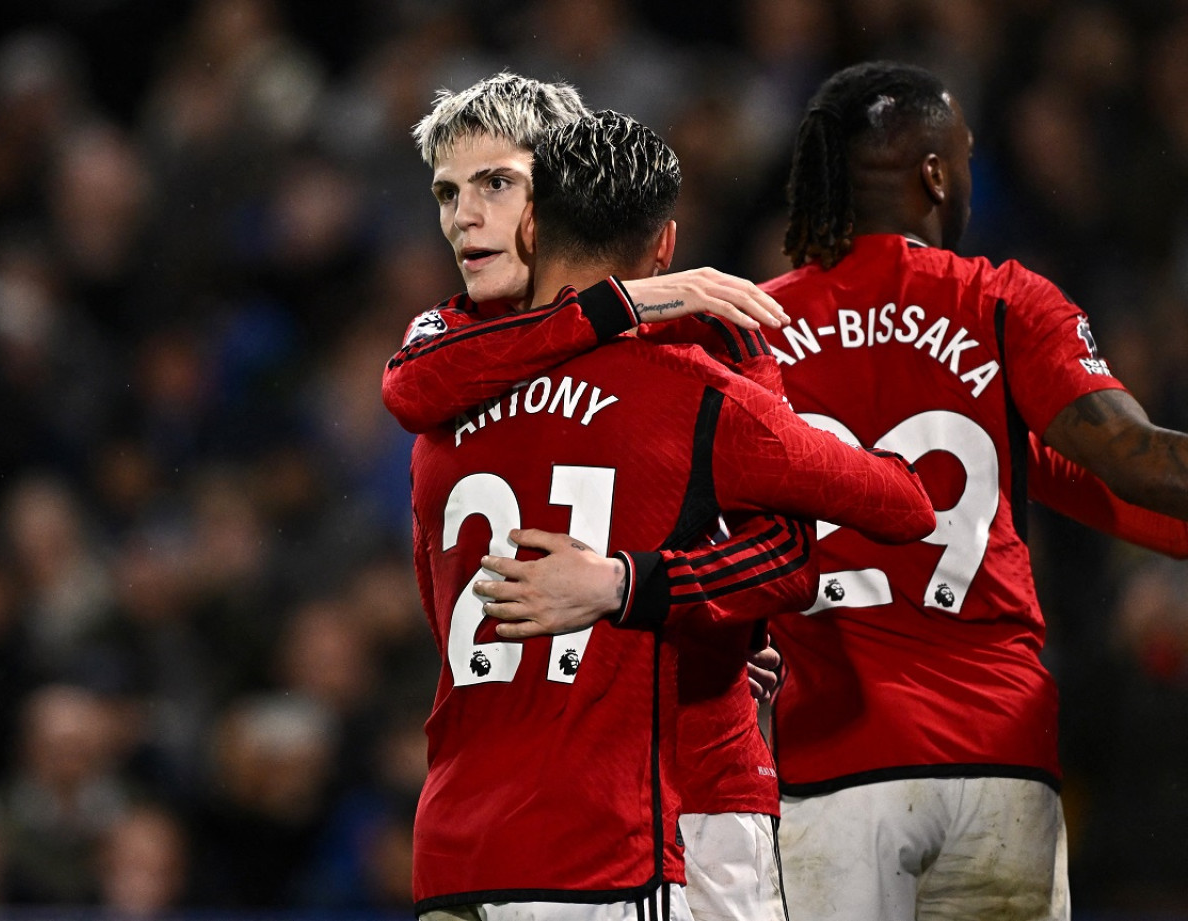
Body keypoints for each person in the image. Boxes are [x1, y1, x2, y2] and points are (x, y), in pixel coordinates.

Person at [468, 62, 1188, 920]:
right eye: (960, 156)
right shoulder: (1001, 302)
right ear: (932, 173)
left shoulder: (742, 326)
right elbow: (1126, 464)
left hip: (829, 768)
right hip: (996, 753)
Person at [407, 108, 935, 921]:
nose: (463, 218)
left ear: (536, 225)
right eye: (450, 193)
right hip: (625, 824)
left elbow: (436, 568)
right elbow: (899, 505)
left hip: (459, 837)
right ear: (665, 247)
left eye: (491, 187)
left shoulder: (446, 395)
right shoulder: (697, 390)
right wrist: (642, 585)